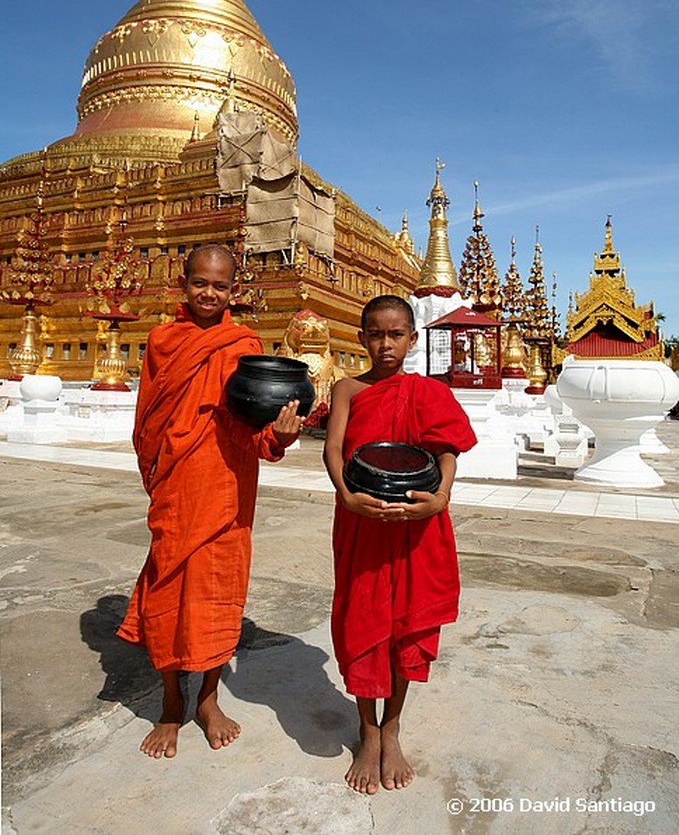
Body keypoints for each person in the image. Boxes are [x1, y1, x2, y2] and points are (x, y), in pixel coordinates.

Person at [117, 243, 303, 759]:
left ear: (232, 290)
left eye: (220, 286)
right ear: (184, 282)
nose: (209, 293)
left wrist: (280, 437)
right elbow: (148, 418)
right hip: (177, 481)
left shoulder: (241, 343)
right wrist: (153, 468)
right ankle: (171, 702)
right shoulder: (162, 341)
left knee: (218, 590)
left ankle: (208, 698)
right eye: (201, 282)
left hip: (226, 482)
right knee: (168, 590)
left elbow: (253, 419)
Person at [323, 295, 477, 794]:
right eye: (375, 334)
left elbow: (446, 450)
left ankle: (393, 727)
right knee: (362, 622)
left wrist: (441, 500)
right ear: (361, 338)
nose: (385, 344)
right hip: (362, 521)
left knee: (407, 626)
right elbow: (332, 449)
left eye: (396, 335)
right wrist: (348, 497)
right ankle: (367, 730)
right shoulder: (347, 388)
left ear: (412, 339)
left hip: (418, 523)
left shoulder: (426, 391)